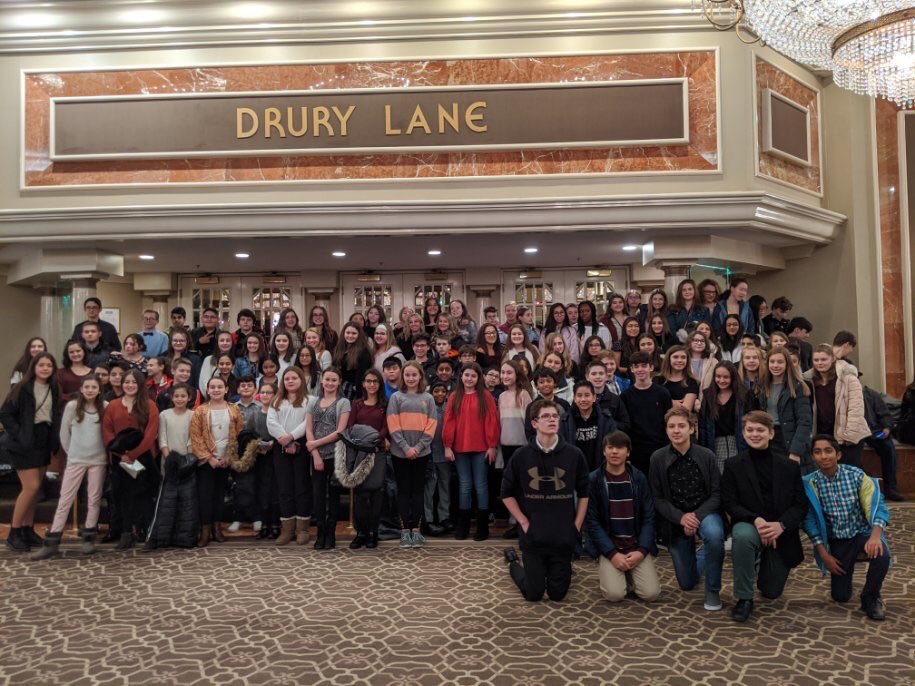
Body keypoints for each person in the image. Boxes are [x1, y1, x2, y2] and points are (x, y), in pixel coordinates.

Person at [721, 411, 807, 622]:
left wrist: (781, 525)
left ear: (770, 433)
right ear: (743, 433)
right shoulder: (733, 464)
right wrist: (756, 520)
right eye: (749, 430)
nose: (755, 434)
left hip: (780, 530)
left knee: (771, 591)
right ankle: (744, 598)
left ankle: (760, 561)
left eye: (760, 430)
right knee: (742, 537)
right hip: (750, 524)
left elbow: (801, 505)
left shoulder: (789, 466)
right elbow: (729, 502)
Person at [501, 399, 590, 602]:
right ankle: (514, 562)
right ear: (534, 423)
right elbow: (506, 493)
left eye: (555, 416)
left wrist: (576, 526)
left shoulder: (574, 454)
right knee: (534, 594)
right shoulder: (521, 455)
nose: (552, 420)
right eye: (546, 416)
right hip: (533, 537)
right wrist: (523, 522)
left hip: (563, 536)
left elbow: (585, 493)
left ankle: (557, 569)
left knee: (557, 594)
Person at [802, 435, 891, 621]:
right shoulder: (809, 483)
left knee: (882, 554)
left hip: (861, 534)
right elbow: (809, 522)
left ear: (838, 454)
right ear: (812, 457)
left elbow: (878, 505)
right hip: (837, 541)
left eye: (828, 451)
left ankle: (871, 596)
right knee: (840, 596)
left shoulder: (856, 475)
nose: (823, 456)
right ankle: (845, 582)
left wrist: (875, 536)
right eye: (817, 452)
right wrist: (824, 555)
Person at [649, 407, 725, 611]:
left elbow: (717, 493)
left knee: (715, 535)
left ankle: (712, 590)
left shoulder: (706, 455)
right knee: (687, 583)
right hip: (675, 519)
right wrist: (682, 518)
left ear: (692, 429)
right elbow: (658, 498)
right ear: (666, 430)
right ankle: (703, 555)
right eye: (671, 426)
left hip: (705, 513)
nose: (676, 430)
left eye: (681, 426)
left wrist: (696, 517)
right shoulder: (657, 458)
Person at [32, 375, 108, 560]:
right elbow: (64, 432)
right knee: (65, 498)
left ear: (99, 389)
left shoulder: (105, 407)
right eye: (87, 386)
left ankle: (89, 537)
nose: (90, 390)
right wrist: (71, 452)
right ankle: (52, 540)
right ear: (81, 389)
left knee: (93, 498)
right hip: (76, 459)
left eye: (94, 387)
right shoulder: (73, 407)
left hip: (98, 459)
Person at [586, 430, 660, 603]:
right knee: (615, 595)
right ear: (603, 451)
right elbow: (592, 522)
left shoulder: (639, 478)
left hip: (635, 545)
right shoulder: (594, 480)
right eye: (610, 447)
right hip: (610, 547)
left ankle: (628, 572)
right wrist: (612, 554)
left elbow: (649, 518)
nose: (614, 452)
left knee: (651, 594)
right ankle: (617, 572)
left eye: (620, 448)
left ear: (628, 452)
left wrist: (641, 551)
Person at [1, 353, 61, 552]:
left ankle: (28, 529)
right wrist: (20, 434)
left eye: (49, 365)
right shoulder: (22, 388)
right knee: (31, 486)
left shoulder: (53, 388)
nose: (45, 368)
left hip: (43, 439)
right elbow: (6, 413)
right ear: (33, 367)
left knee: (36, 489)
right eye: (41, 365)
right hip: (23, 441)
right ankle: (14, 532)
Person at [101, 368, 160, 550]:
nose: (130, 385)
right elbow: (107, 431)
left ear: (140, 384)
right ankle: (127, 533)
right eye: (127, 382)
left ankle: (147, 532)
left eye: (134, 382)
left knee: (143, 495)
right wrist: (120, 454)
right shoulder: (112, 405)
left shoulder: (149, 405)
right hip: (119, 460)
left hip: (143, 458)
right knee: (123, 496)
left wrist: (132, 454)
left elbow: (151, 434)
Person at [443, 362, 501, 541]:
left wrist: (492, 445)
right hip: (460, 448)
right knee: (465, 486)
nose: (469, 379)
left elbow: (492, 420)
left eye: (473, 376)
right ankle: (463, 525)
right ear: (461, 376)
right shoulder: (454, 396)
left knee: (481, 485)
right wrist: (447, 445)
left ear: (479, 378)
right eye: (466, 375)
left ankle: (482, 527)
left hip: (481, 448)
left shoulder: (485, 396)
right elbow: (449, 421)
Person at [386, 360, 438, 548]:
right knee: (403, 491)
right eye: (407, 375)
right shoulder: (396, 398)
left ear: (420, 376)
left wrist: (418, 447)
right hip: (400, 453)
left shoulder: (428, 398)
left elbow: (431, 425)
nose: (410, 378)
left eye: (414, 375)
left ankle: (416, 530)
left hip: (421, 453)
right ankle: (404, 531)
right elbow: (393, 425)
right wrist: (406, 447)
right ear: (402, 377)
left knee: (418, 491)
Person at [190, 376, 243, 547]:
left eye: (220, 386)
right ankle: (205, 531)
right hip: (206, 461)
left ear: (226, 389)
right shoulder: (200, 411)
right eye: (212, 387)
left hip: (225, 459)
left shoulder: (234, 409)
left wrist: (229, 456)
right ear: (208, 390)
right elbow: (196, 437)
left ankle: (217, 528)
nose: (216, 390)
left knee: (220, 496)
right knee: (205, 496)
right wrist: (209, 458)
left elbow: (238, 434)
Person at [306, 366, 351, 550]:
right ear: (322, 380)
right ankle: (320, 532)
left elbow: (340, 432)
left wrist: (316, 444)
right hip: (316, 456)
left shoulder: (343, 403)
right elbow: (309, 429)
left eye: (334, 380)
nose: (330, 383)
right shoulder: (313, 402)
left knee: (333, 495)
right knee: (318, 496)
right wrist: (315, 453)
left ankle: (330, 534)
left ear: (339, 382)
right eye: (327, 379)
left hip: (335, 455)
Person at [804, 344, 869, 468]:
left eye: (824, 359)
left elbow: (856, 408)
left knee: (848, 473)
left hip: (847, 436)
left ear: (833, 359)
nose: (819, 363)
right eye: (816, 360)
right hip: (824, 434)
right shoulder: (809, 380)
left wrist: (849, 434)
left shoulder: (848, 378)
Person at [267, 367, 311, 547]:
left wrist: (292, 437)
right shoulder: (276, 401)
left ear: (301, 380)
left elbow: (307, 423)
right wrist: (285, 441)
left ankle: (302, 529)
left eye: (294, 378)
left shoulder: (310, 401)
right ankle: (287, 529)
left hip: (301, 446)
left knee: (301, 487)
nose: (290, 381)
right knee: (284, 487)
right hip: (281, 447)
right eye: (287, 379)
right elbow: (271, 423)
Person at [347, 369, 390, 549]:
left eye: (375, 381)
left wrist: (373, 440)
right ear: (363, 383)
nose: (372, 384)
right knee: (361, 494)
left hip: (377, 451)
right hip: (359, 453)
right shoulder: (356, 404)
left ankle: (373, 532)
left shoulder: (385, 405)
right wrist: (362, 442)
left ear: (380, 385)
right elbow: (351, 427)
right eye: (368, 381)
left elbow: (386, 428)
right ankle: (361, 532)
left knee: (375, 494)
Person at [759, 348, 813, 471]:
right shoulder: (762, 386)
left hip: (789, 440)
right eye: (772, 362)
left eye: (780, 362)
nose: (775, 365)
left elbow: (805, 422)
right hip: (770, 439)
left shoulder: (797, 387)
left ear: (787, 364)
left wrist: (796, 451)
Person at [621, 351, 673, 474]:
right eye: (636, 366)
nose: (640, 369)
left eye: (644, 365)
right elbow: (626, 426)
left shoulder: (663, 393)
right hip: (636, 451)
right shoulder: (625, 396)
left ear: (651, 367)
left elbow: (669, 421)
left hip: (661, 448)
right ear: (632, 369)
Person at [697, 361, 750, 474]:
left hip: (738, 443)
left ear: (733, 377)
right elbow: (702, 425)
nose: (721, 380)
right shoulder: (708, 395)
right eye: (718, 376)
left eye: (726, 377)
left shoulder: (743, 395)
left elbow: (750, 421)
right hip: (715, 444)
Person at [861, 381, 905, 501]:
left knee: (889, 448)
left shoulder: (871, 394)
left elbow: (884, 414)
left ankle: (890, 487)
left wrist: (886, 428)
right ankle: (865, 489)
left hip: (873, 431)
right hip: (853, 433)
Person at [560, 380, 617, 472]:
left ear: (594, 397)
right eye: (579, 396)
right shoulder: (564, 421)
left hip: (600, 470)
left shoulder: (606, 419)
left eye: (587, 395)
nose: (583, 399)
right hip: (573, 470)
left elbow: (613, 444)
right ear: (574, 398)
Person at [422, 381, 453, 537]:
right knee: (429, 489)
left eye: (443, 391)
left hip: (445, 454)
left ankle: (444, 517)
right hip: (429, 454)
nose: (440, 394)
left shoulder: (449, 408)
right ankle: (428, 519)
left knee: (444, 486)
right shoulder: (427, 406)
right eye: (436, 391)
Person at [333, 322, 373, 400]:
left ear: (359, 335)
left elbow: (361, 375)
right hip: (338, 386)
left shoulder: (364, 352)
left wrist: (359, 396)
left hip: (353, 389)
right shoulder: (339, 348)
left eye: (354, 333)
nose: (350, 336)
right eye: (348, 333)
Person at [659, 345, 699, 412]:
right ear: (668, 359)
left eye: (683, 357)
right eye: (675, 357)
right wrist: (671, 402)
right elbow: (653, 404)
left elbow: (685, 410)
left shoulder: (691, 382)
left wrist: (663, 402)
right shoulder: (658, 380)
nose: (679, 360)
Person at [198, 331, 234, 398]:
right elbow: (204, 383)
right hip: (212, 399)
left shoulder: (237, 361)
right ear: (217, 343)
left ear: (232, 343)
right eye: (222, 340)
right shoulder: (208, 360)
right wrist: (215, 397)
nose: (225, 343)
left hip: (232, 400)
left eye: (228, 340)